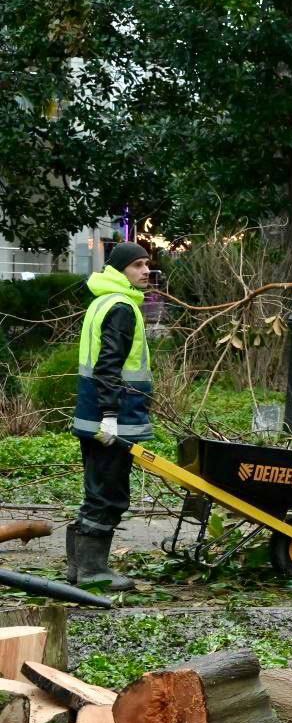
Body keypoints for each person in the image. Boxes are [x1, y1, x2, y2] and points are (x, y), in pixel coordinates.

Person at [67, 242, 155, 590]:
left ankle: (79, 569)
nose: (146, 271)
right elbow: (108, 366)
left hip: (95, 415)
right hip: (113, 417)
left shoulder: (101, 301)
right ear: (120, 270)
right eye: (137, 265)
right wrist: (109, 415)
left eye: (147, 264)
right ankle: (92, 571)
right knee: (110, 494)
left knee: (97, 491)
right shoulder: (120, 307)